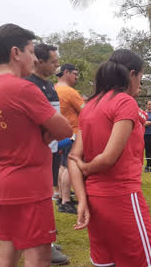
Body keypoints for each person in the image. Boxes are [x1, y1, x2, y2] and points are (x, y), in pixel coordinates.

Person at [0, 24, 72, 266]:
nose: (34, 58)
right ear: (15, 52)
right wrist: (46, 133)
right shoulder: (23, 89)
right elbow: (64, 129)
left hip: (0, 180)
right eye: (31, 52)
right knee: (38, 254)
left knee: (9, 249)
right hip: (27, 183)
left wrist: (42, 133)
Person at [68, 49, 151, 267]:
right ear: (132, 74)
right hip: (123, 198)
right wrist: (88, 168)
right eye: (141, 78)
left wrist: (81, 200)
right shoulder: (124, 102)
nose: (140, 84)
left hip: (94, 200)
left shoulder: (89, 106)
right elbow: (108, 157)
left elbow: (73, 158)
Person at [25, 43, 70, 265]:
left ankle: (47, 240)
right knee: (39, 198)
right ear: (39, 61)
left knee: (48, 194)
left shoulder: (49, 85)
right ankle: (43, 244)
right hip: (39, 150)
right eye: (53, 62)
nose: (57, 65)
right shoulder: (29, 84)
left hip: (52, 148)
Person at [55, 63, 84, 214]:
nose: (77, 77)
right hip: (72, 134)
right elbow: (85, 111)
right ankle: (66, 201)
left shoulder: (54, 89)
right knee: (68, 167)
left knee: (62, 166)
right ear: (66, 73)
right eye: (75, 74)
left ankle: (61, 196)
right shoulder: (70, 92)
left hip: (58, 135)